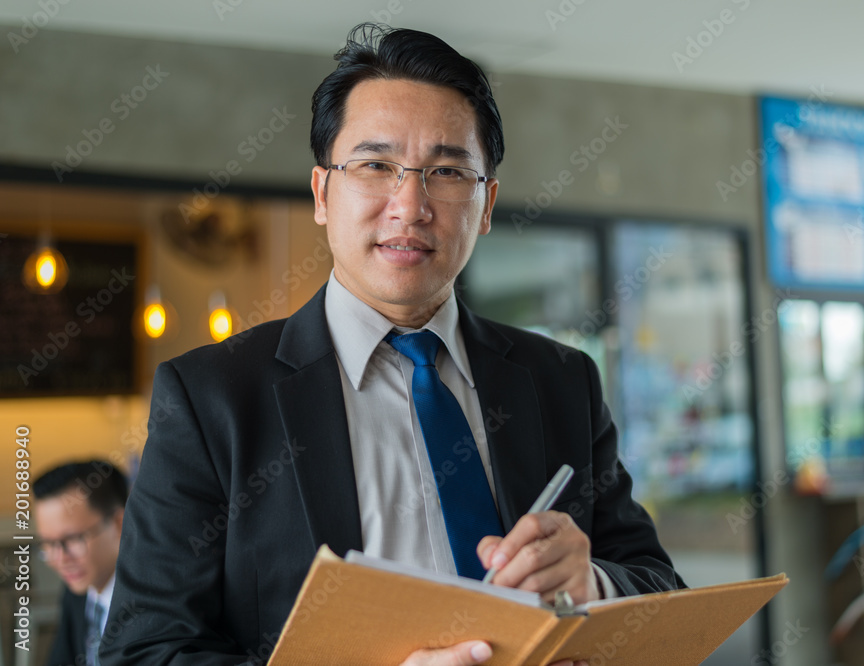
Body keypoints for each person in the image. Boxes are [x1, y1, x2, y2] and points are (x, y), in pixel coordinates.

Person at [102, 22, 684, 666]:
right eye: (376, 165)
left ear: (486, 205)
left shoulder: (560, 378)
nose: (410, 205)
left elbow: (658, 588)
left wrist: (591, 583)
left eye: (447, 170)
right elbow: (145, 651)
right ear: (323, 192)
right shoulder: (213, 397)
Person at [34, 460, 129, 666]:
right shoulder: (77, 594)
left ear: (119, 524)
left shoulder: (155, 600)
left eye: (72, 540)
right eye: (49, 544)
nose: (60, 559)